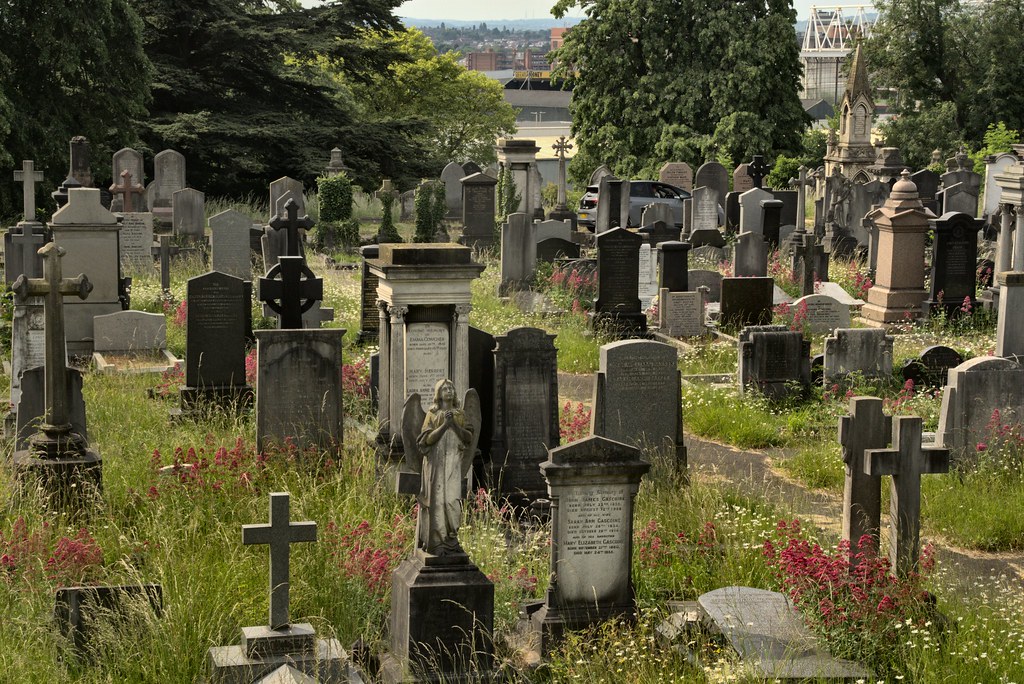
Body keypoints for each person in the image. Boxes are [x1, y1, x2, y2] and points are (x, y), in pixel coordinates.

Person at [416, 378, 474, 556]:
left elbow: (468, 438)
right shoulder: (432, 414)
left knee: (452, 501)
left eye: (451, 387)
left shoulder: (460, 414)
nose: (448, 390)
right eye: (444, 388)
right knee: (437, 501)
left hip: (453, 463)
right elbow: (427, 440)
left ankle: (451, 539)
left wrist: (454, 424)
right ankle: (437, 543)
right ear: (438, 394)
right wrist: (444, 425)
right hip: (436, 463)